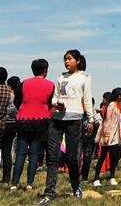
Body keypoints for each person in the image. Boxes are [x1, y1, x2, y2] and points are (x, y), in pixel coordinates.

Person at [39, 50, 97, 204]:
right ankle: (49, 192)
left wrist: (90, 119)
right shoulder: (60, 77)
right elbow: (54, 97)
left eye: (69, 59)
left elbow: (86, 98)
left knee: (72, 158)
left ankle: (76, 187)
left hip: (74, 119)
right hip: (57, 119)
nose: (66, 62)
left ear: (77, 61)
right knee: (52, 156)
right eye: (65, 59)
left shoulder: (85, 77)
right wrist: (56, 103)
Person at [12, 58, 54, 191]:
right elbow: (51, 103)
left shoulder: (24, 83)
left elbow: (17, 101)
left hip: (23, 119)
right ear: (45, 70)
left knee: (20, 152)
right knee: (34, 152)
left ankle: (14, 183)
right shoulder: (51, 85)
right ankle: (30, 183)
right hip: (41, 120)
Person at [94, 87, 121, 186]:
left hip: (115, 137)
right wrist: (106, 135)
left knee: (113, 157)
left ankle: (112, 177)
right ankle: (96, 178)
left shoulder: (116, 106)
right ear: (119, 95)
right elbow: (107, 121)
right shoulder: (111, 106)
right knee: (102, 156)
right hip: (109, 136)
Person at [0, 76, 20, 185]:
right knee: (7, 152)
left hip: (2, 123)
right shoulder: (18, 97)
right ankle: (6, 178)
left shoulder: (6, 96)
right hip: (13, 125)